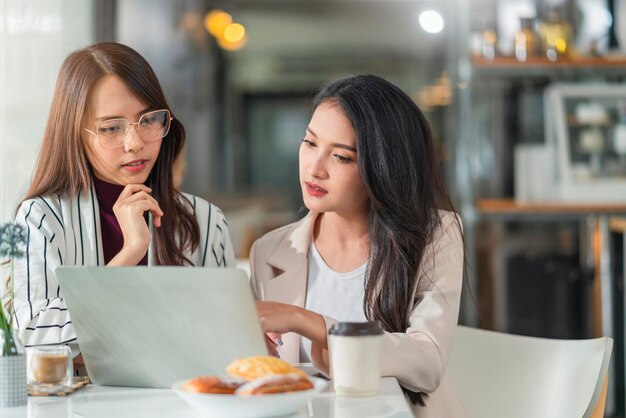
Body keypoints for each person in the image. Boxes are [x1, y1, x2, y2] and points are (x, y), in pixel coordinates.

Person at [250, 74, 465, 417]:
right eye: (309, 143)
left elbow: (427, 361)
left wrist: (305, 321)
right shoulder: (270, 251)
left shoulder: (436, 234)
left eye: (342, 157)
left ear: (383, 168)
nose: (314, 168)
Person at [11, 42, 235, 349]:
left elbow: (228, 337)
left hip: (180, 397)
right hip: (80, 398)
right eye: (111, 128)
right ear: (76, 134)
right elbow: (34, 334)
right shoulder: (41, 218)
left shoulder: (206, 220)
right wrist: (130, 253)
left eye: (147, 120)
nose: (135, 142)